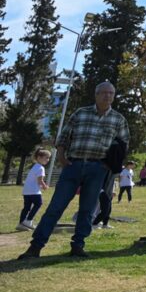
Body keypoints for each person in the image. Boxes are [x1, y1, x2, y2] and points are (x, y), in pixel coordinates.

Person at [17, 81, 129, 260]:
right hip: (73, 165)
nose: (108, 96)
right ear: (96, 94)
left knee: (87, 210)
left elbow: (123, 145)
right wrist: (61, 157)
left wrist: (107, 166)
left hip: (97, 168)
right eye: (104, 93)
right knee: (56, 207)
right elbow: (63, 137)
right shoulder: (81, 113)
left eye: (111, 93)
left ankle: (78, 245)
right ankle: (35, 246)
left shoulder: (118, 119)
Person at [16, 148, 50, 231]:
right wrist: (44, 186)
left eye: (48, 158)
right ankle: (29, 220)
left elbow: (35, 180)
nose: (48, 160)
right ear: (39, 157)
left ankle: (21, 224)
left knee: (26, 207)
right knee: (38, 203)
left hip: (26, 191)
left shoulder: (35, 166)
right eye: (46, 157)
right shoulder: (41, 168)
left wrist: (41, 186)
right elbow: (40, 180)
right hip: (34, 191)